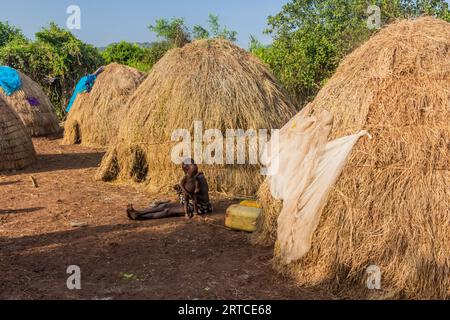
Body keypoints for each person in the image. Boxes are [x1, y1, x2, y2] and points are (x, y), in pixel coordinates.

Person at [126, 158, 213, 220]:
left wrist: (190, 194)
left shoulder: (200, 178)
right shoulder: (189, 176)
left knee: (168, 211)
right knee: (164, 206)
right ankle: (139, 212)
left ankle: (139, 216)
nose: (184, 172)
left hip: (200, 206)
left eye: (185, 169)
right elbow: (185, 186)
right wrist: (181, 189)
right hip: (189, 201)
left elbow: (205, 199)